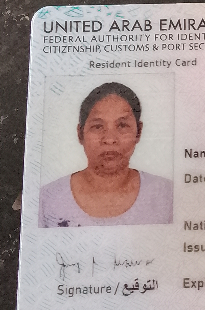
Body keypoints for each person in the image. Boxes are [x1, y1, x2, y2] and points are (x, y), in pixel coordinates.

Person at [39, 82, 173, 227]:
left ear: (138, 132)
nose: (109, 139)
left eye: (122, 125)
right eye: (97, 126)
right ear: (80, 134)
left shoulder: (166, 195)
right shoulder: (48, 199)